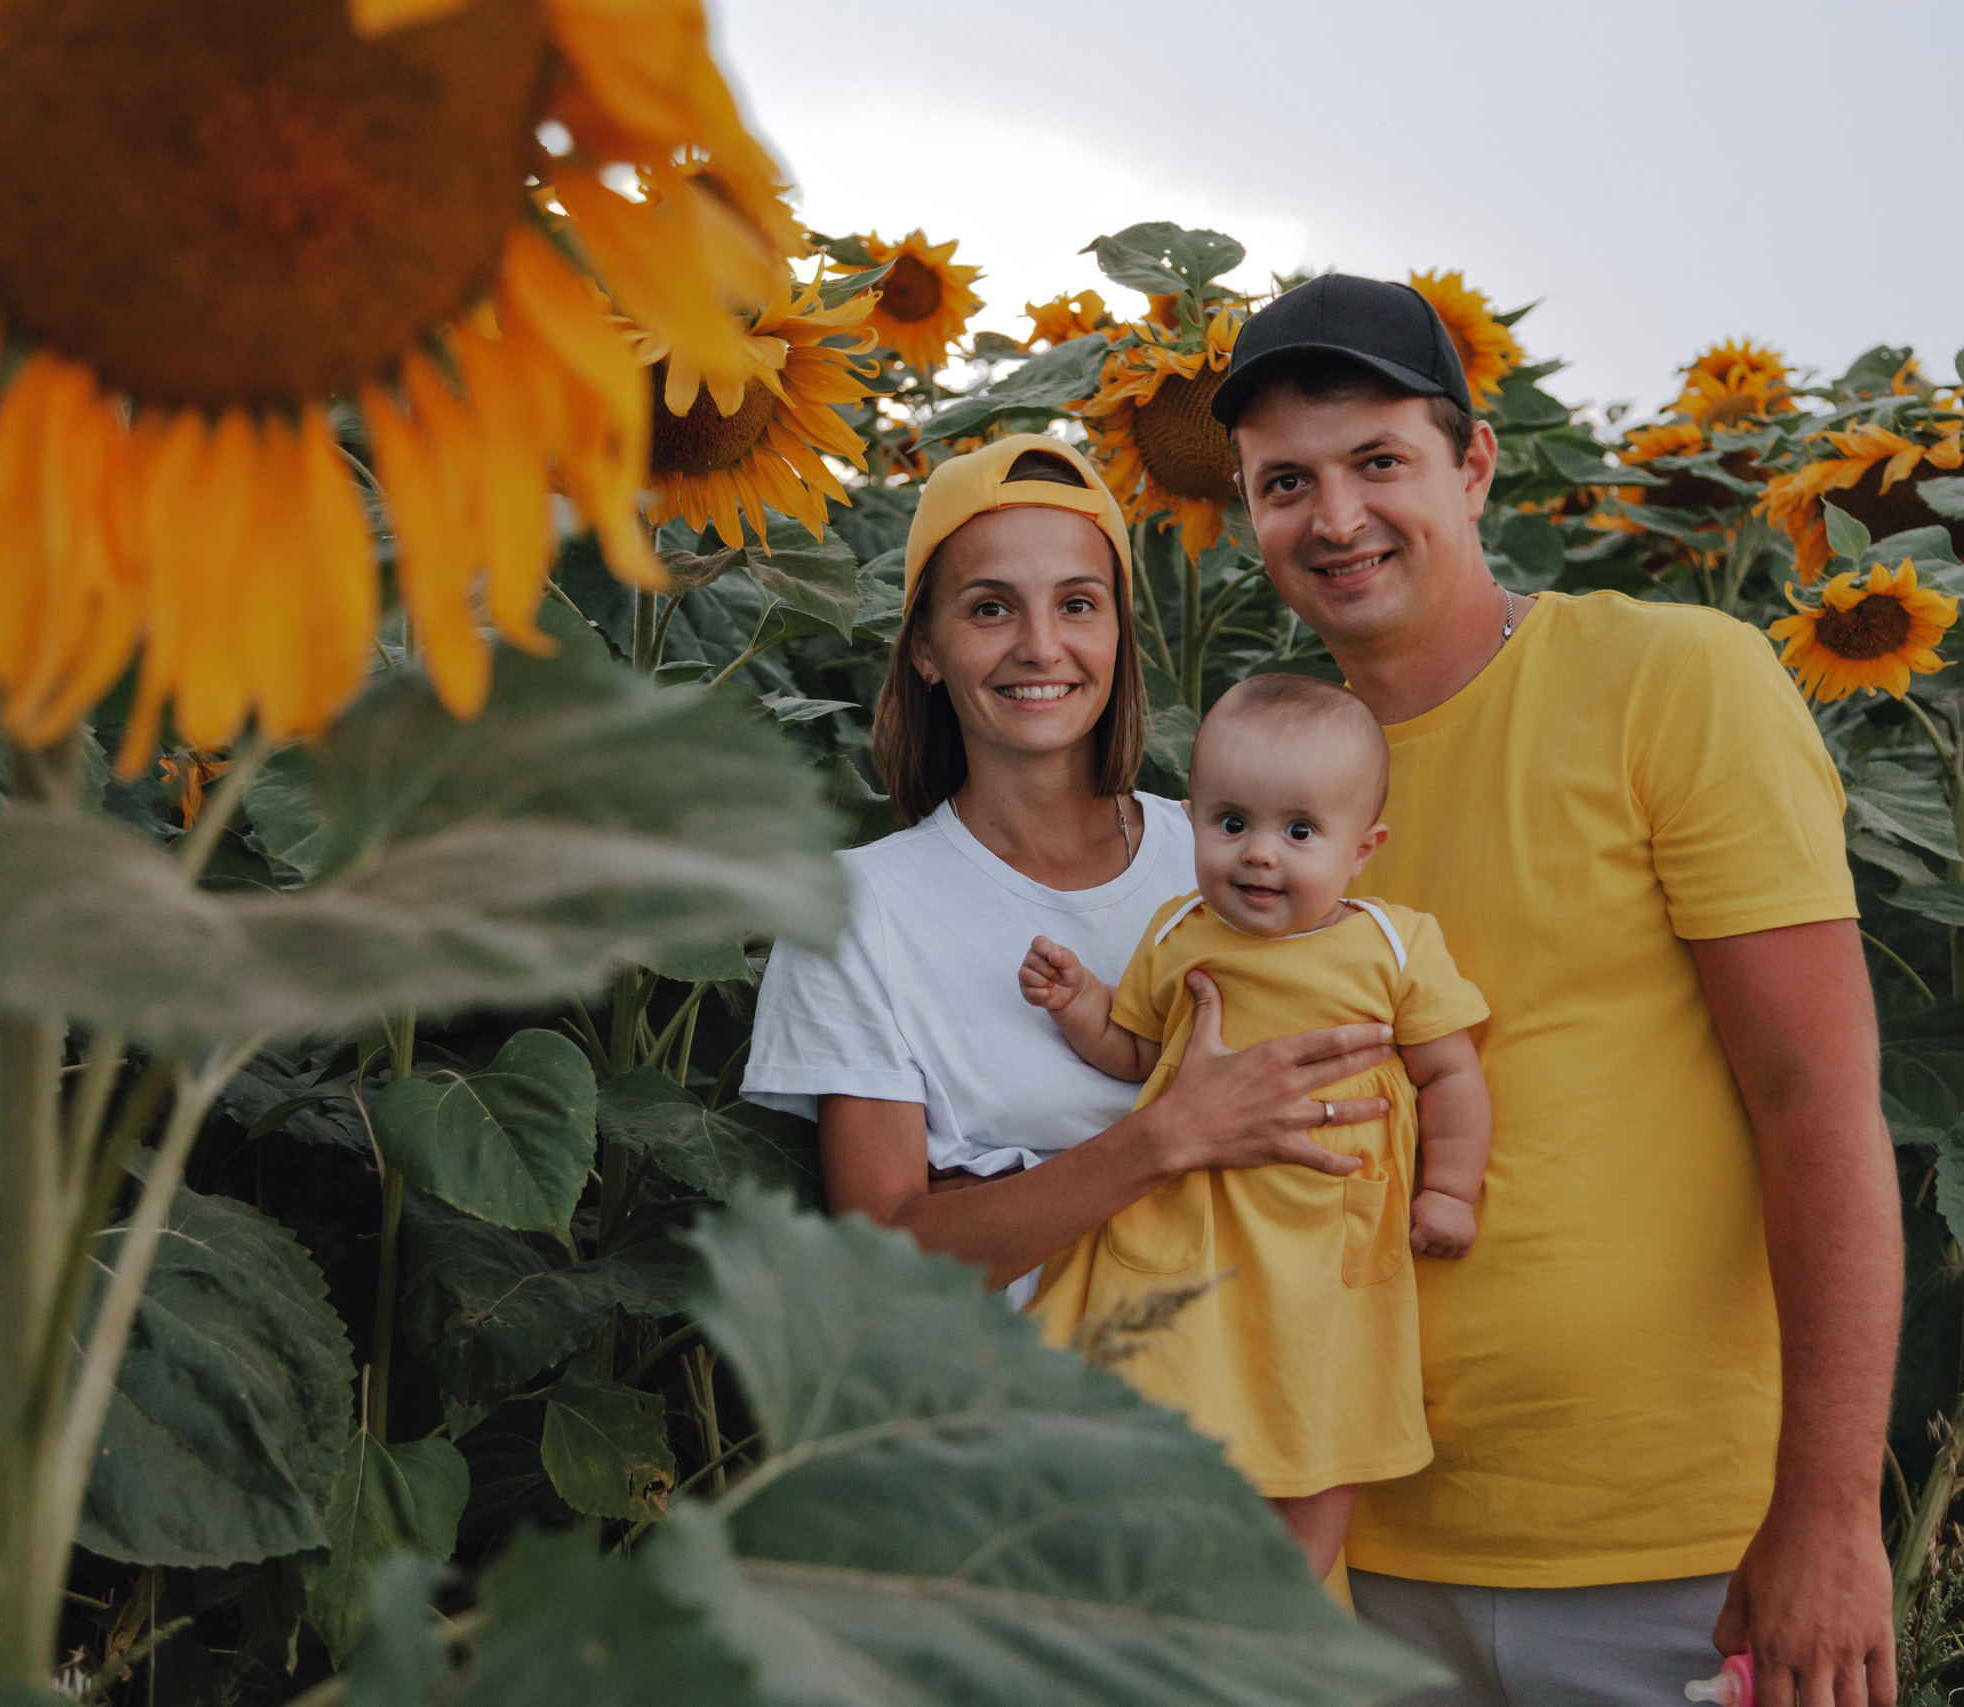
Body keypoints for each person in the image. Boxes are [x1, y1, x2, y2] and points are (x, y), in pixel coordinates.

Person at [1206, 274, 1902, 1707]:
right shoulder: (1266, 785)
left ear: (1472, 463)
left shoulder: (1671, 679)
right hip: (1350, 1548)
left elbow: (1818, 1100)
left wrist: (1829, 1515)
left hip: (1668, 1561)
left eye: (1378, 461)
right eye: (1286, 482)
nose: (1334, 518)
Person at [740, 433, 1400, 1318]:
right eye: (989, 609)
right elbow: (885, 1262)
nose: (1042, 646)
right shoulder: (856, 913)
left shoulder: (1237, 863)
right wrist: (1168, 1137)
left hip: (1271, 1395)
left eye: (1080, 604)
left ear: (1119, 632)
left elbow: (1350, 1105)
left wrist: (999, 1191)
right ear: (926, 647)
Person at [1018, 672, 1492, 1579]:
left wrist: (1450, 1189)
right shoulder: (1181, 931)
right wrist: (1081, 1004)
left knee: (1325, 1410)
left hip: (1324, 1239)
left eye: (1300, 831)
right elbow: (1137, 1052)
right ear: (1193, 819)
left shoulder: (1392, 945)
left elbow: (1450, 1074)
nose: (1259, 855)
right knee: (1171, 1391)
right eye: (1231, 823)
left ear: (1363, 849)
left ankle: (1291, 1587)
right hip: (1189, 1223)